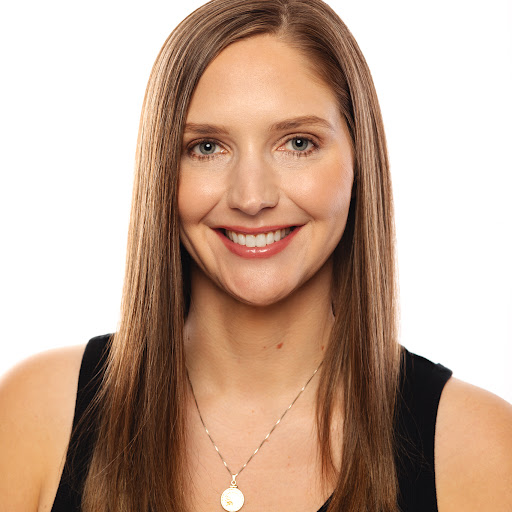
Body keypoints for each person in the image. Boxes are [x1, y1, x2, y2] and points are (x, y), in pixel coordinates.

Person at [0, 0, 511, 511]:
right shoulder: (37, 414)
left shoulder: (479, 447)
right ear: (162, 170)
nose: (251, 197)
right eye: (206, 147)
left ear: (360, 158)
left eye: (298, 143)